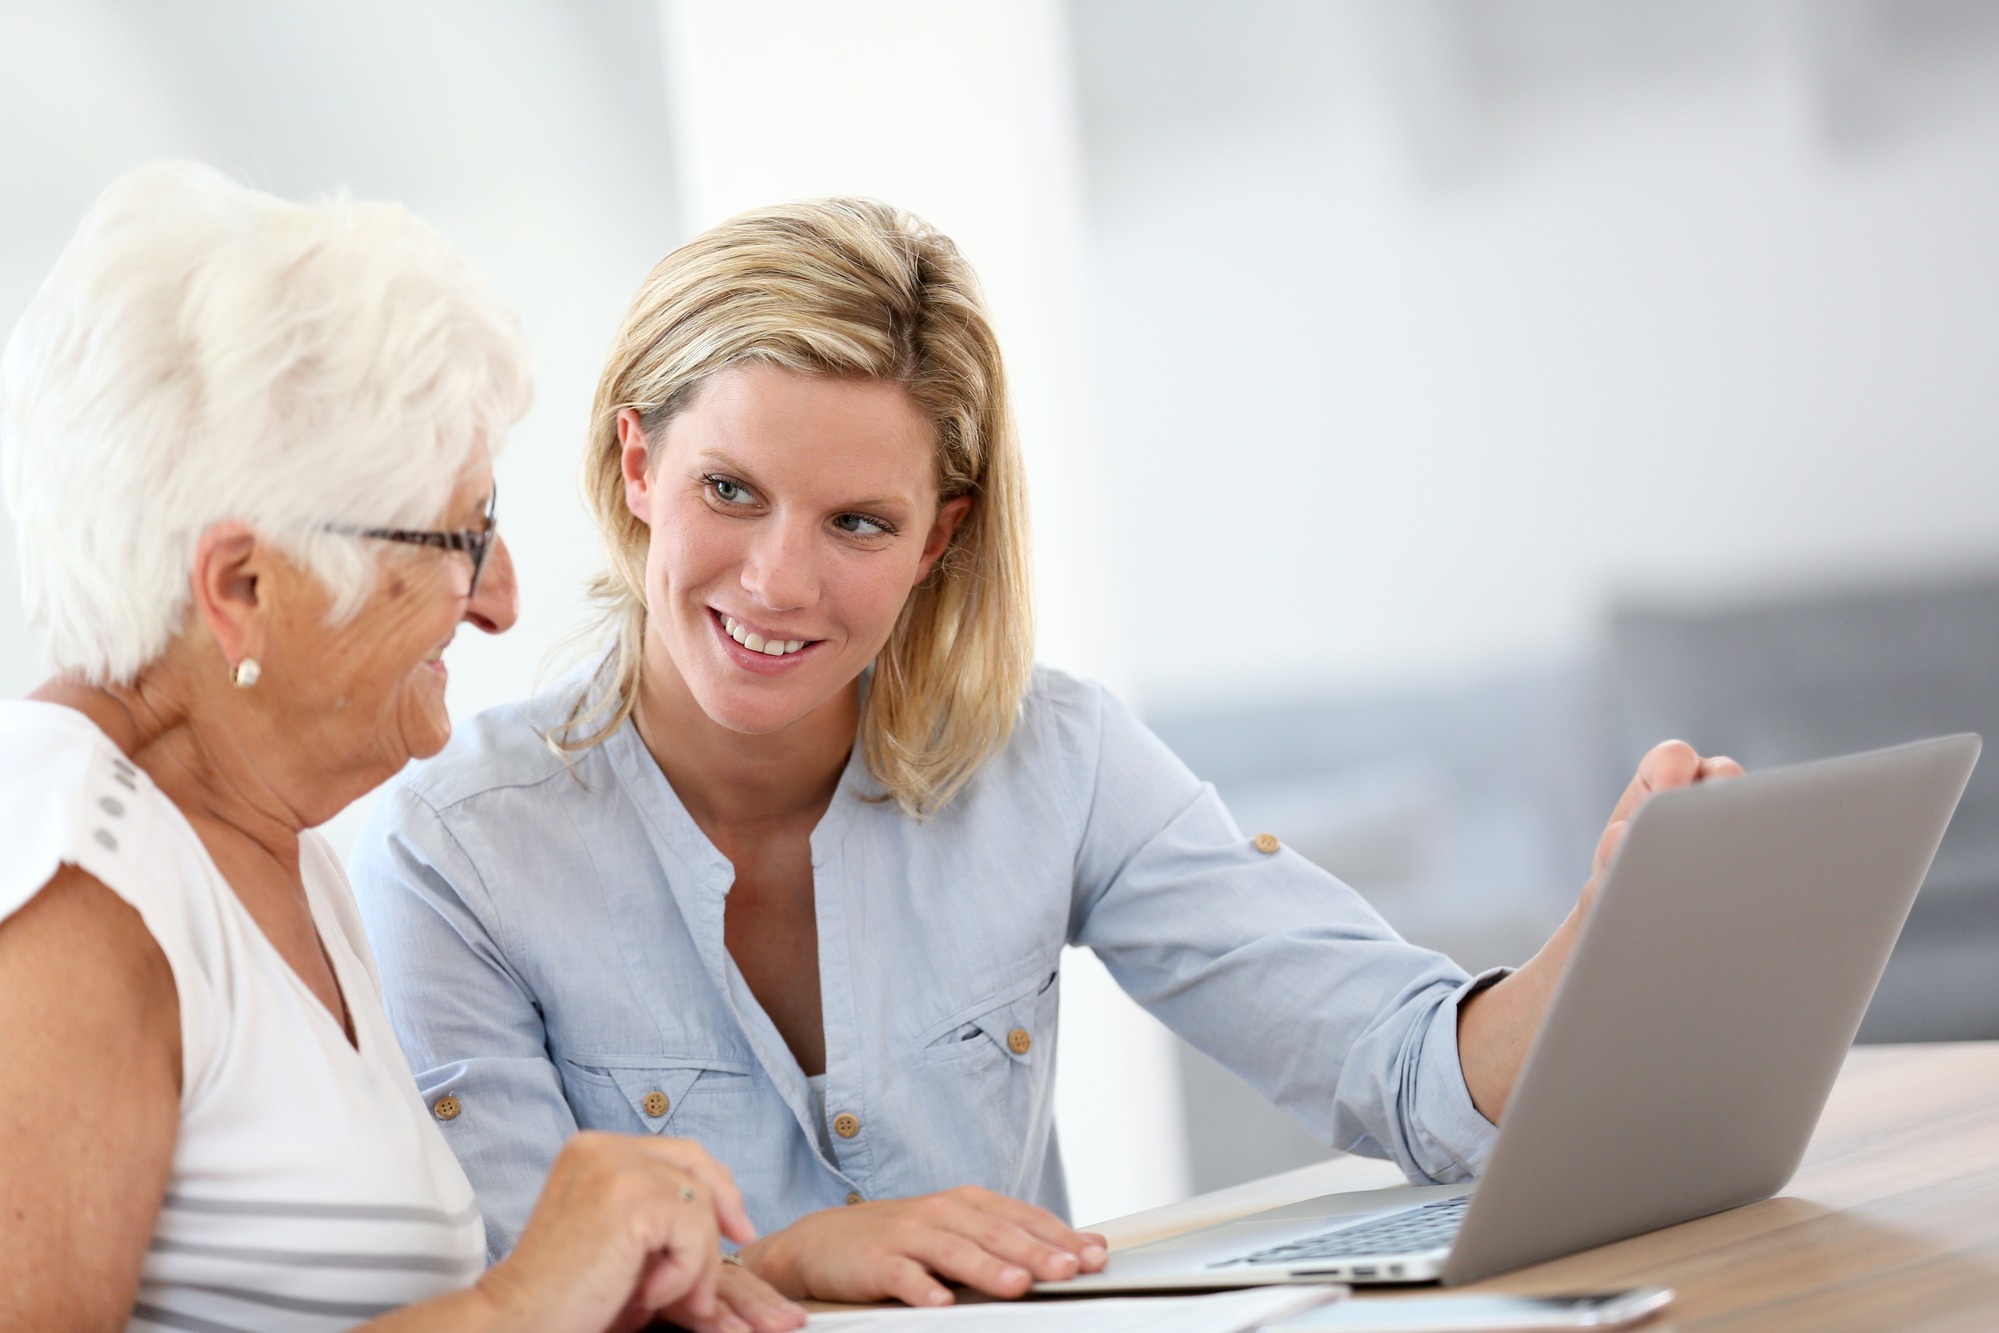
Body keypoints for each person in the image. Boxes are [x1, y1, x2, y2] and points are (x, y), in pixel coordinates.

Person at [351, 197, 1740, 1310]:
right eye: (730, 490)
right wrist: (778, 1268)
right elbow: (527, 1305)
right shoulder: (457, 857)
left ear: (936, 539)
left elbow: (1397, 1068)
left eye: (856, 524)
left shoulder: (1050, 761)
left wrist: (1601, 941)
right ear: (639, 468)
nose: (776, 582)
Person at [0, 163, 806, 1333]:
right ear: (243, 585)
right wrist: (516, 1303)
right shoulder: (77, 893)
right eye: (458, 536)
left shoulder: (272, 848)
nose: (500, 600)